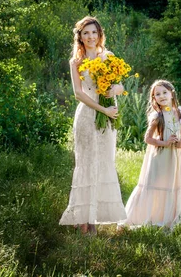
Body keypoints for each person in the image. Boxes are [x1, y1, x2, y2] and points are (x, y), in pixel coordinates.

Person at [59, 16, 127, 235]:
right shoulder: (76, 62)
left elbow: (120, 85)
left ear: (99, 35)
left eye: (94, 33)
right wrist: (103, 110)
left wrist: (113, 91)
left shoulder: (108, 57)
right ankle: (83, 220)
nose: (90, 37)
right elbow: (78, 94)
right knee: (86, 164)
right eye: (85, 33)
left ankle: (95, 219)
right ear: (80, 36)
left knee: (103, 162)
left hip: (107, 116)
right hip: (89, 115)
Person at [121, 80, 181, 229]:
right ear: (154, 98)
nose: (162, 96)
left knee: (171, 185)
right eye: (157, 94)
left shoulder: (179, 112)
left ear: (172, 94)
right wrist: (165, 143)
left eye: (164, 92)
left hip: (175, 156)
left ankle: (168, 217)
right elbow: (147, 138)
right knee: (156, 185)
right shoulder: (157, 116)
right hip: (161, 156)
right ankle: (146, 217)